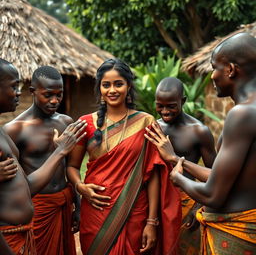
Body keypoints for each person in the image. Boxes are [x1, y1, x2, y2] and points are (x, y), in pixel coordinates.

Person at [145, 32, 256, 254]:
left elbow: (213, 194)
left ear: (231, 70)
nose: (212, 76)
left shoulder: (241, 114)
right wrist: (177, 160)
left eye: (215, 67)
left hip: (234, 233)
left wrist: (177, 178)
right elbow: (224, 177)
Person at [67, 58, 181, 255]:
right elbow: (72, 167)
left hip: (135, 212)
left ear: (128, 86)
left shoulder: (145, 122)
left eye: (118, 84)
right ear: (99, 88)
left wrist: (152, 222)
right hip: (95, 211)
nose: (112, 90)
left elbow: (153, 175)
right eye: (106, 85)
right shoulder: (85, 123)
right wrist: (80, 187)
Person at [0, 59, 86, 255]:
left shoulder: (66, 122)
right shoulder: (15, 128)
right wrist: (60, 150)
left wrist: (77, 205)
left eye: (59, 95)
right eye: (48, 95)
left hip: (62, 202)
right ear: (33, 91)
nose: (54, 100)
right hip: (38, 208)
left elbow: (69, 167)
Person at [155, 77, 216, 254]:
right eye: (160, 106)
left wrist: (199, 207)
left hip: (187, 202)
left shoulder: (198, 131)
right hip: (157, 202)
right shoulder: (154, 127)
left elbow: (214, 174)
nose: (165, 112)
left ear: (183, 101)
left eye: (171, 106)